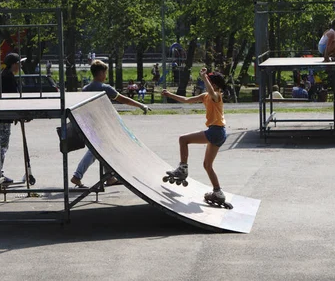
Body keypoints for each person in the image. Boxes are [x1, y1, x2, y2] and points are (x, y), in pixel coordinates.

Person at [70, 60, 151, 188]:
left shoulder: (85, 89)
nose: (106, 75)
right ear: (101, 72)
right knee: (94, 152)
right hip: (102, 126)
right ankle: (77, 176)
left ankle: (110, 178)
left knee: (102, 151)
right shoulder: (105, 88)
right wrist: (141, 105)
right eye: (105, 72)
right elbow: (123, 99)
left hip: (88, 125)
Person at [161, 68, 229, 206]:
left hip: (216, 132)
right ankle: (218, 192)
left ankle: (182, 169)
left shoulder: (217, 95)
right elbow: (186, 100)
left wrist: (204, 77)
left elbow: (211, 92)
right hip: (219, 133)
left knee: (183, 139)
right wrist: (170, 95)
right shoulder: (205, 96)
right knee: (207, 165)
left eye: (209, 82)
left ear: (215, 85)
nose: (206, 84)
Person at [0, 52, 25, 185]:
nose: (20, 66)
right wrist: (19, 114)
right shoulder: (7, 78)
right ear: (14, 64)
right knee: (2, 146)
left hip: (2, 116)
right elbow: (12, 98)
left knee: (2, 145)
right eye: (19, 64)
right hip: (2, 117)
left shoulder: (4, 76)